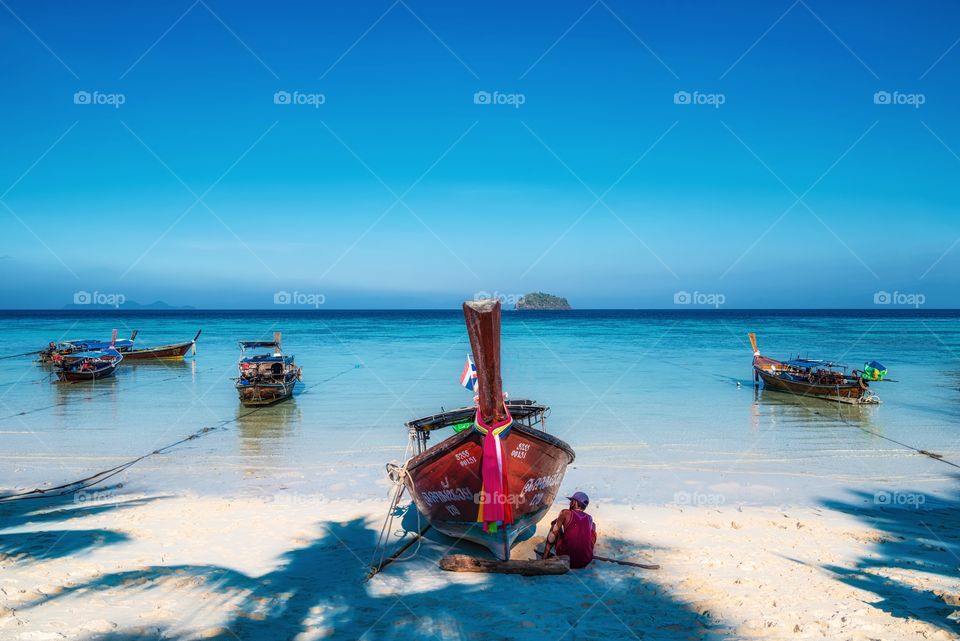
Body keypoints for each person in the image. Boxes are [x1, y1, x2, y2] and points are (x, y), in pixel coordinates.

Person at [542, 491, 596, 569]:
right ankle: (585, 552)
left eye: (571, 501)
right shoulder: (589, 518)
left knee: (555, 525)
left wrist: (557, 522)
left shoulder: (565, 513)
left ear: (574, 502)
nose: (570, 503)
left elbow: (553, 535)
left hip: (566, 559)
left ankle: (545, 556)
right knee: (593, 526)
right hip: (585, 561)